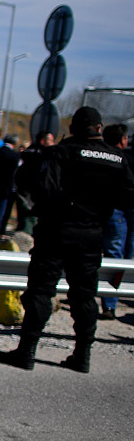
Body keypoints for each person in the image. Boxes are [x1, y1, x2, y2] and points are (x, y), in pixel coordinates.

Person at [0, 107, 134, 373]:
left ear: (72, 129)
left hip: (57, 230)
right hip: (92, 233)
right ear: (100, 128)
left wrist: (47, 210)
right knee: (84, 296)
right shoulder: (117, 158)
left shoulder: (62, 152)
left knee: (40, 291)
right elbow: (128, 198)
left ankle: (27, 352)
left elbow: (42, 189)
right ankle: (82, 356)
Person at [99, 124, 134, 321]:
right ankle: (111, 303)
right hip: (118, 209)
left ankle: (112, 302)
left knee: (119, 256)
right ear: (122, 140)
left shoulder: (111, 157)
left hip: (118, 210)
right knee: (119, 256)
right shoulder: (119, 159)